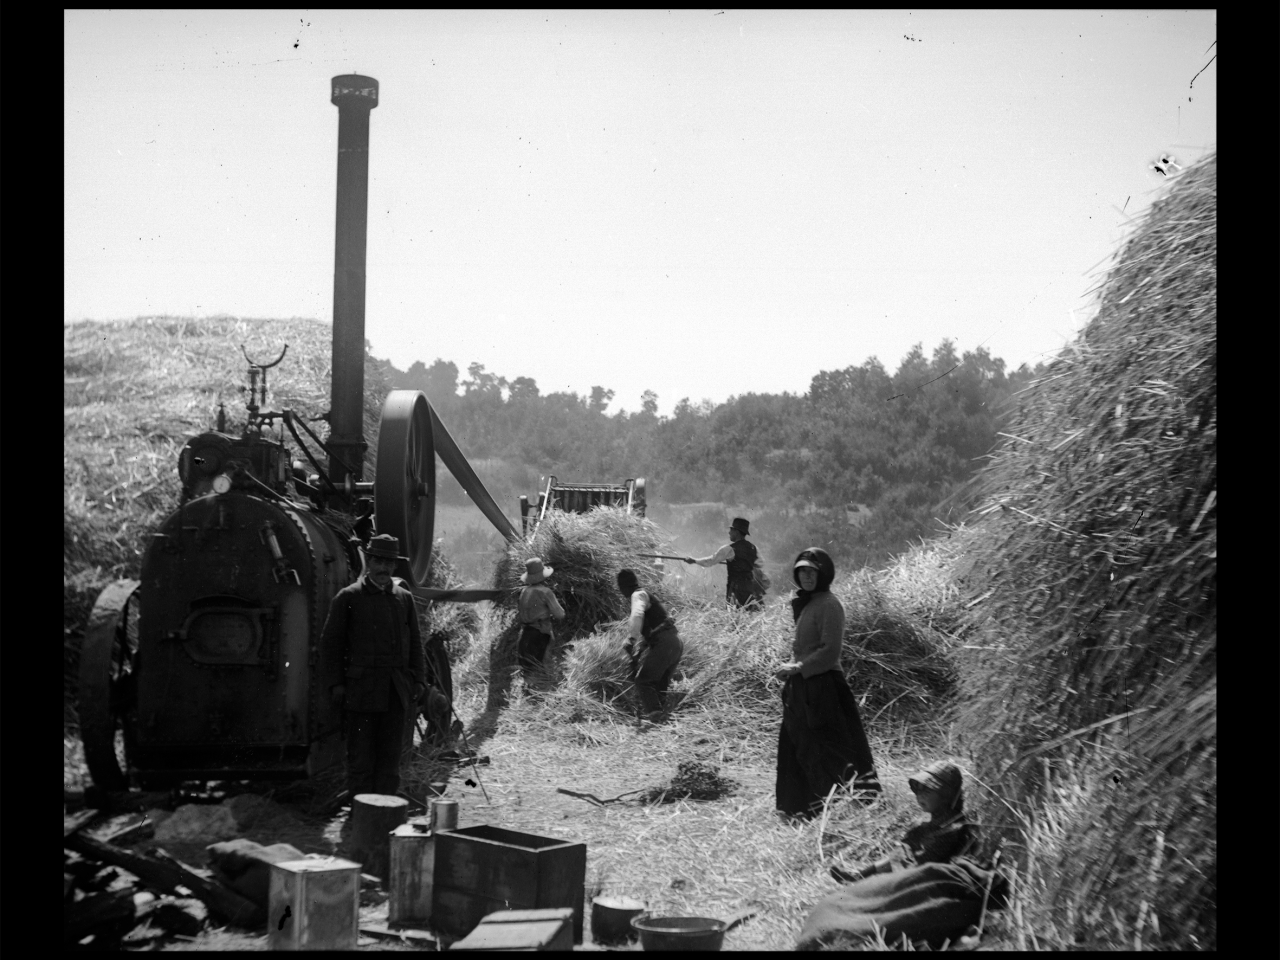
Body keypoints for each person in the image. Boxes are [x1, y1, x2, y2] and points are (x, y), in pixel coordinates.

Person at [775, 547, 881, 819]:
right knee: (798, 744)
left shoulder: (830, 604)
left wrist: (797, 667)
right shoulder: (811, 603)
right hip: (803, 686)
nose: (807, 577)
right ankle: (801, 807)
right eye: (802, 572)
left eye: (812, 572)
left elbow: (830, 650)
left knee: (829, 747)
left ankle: (839, 807)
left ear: (823, 574)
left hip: (823, 688)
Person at [320, 533, 426, 799]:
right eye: (378, 561)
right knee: (361, 760)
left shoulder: (403, 598)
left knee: (390, 761)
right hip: (360, 694)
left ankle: (386, 815)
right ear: (368, 561)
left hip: (395, 693)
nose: (383, 568)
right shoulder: (348, 598)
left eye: (389, 563)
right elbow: (330, 646)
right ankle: (362, 818)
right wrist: (336, 684)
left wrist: (419, 681)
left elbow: (415, 643)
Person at [829, 762, 976, 883]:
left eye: (928, 792)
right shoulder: (935, 817)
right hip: (916, 866)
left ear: (945, 796)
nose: (920, 797)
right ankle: (858, 877)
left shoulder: (952, 826)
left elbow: (927, 861)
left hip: (929, 876)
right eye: (918, 791)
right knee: (896, 855)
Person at [617, 568, 684, 722]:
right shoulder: (646, 596)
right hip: (674, 642)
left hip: (665, 643)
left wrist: (631, 638)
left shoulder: (638, 595)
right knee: (659, 687)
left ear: (622, 587)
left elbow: (637, 614)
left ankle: (655, 719)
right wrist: (639, 651)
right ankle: (661, 720)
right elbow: (653, 630)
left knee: (643, 681)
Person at [684, 516, 766, 608]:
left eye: (731, 529)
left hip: (736, 589)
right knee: (748, 613)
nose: (729, 532)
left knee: (735, 614)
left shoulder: (729, 549)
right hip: (749, 587)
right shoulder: (753, 548)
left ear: (737, 531)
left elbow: (710, 561)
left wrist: (694, 560)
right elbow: (760, 563)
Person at [516, 557, 566, 685]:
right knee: (547, 667)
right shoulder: (545, 592)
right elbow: (560, 614)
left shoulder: (523, 591)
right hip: (541, 633)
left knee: (529, 671)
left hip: (524, 634)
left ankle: (530, 695)